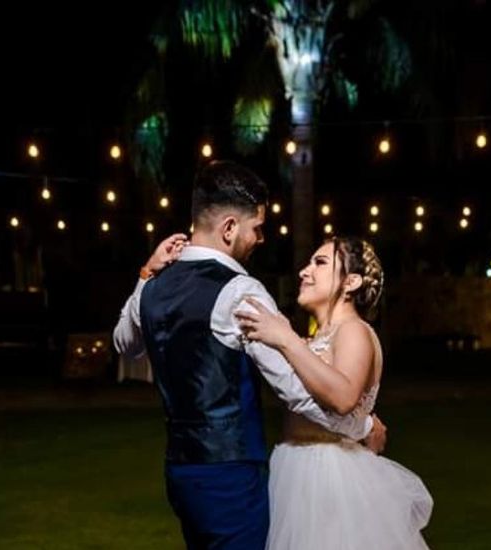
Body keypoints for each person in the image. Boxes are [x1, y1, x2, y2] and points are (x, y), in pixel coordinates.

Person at [113, 161, 386, 550]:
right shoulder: (241, 291)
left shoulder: (154, 283)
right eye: (257, 228)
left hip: (179, 470)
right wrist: (362, 428)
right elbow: (294, 391)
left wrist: (145, 275)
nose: (260, 239)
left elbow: (124, 342)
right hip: (230, 476)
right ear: (229, 228)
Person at [237, 236, 432, 550]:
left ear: (351, 281)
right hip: (292, 468)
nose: (304, 271)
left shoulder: (354, 330)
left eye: (320, 262)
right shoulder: (314, 339)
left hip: (330, 476)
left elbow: (343, 397)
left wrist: (286, 339)